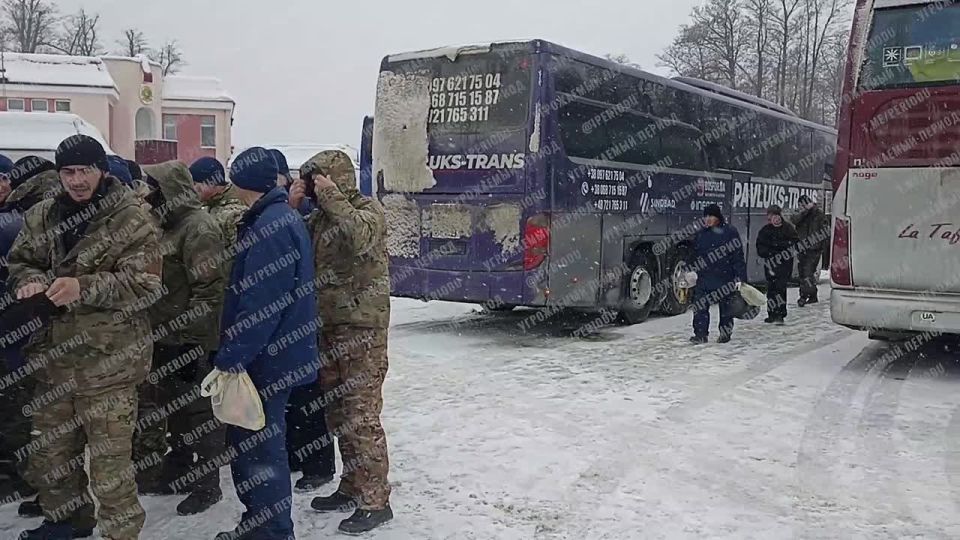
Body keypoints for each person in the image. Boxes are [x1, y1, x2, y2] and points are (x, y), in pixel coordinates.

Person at [10, 135, 161, 540]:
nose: (76, 180)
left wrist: (84, 287)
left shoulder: (132, 217)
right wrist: (29, 282)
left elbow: (146, 283)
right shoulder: (43, 214)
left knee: (111, 467)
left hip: (109, 363)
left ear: (102, 171)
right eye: (68, 171)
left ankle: (120, 533)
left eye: (85, 170)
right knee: (51, 456)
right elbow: (22, 261)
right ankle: (68, 522)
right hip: (54, 360)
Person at [214, 147, 318, 540]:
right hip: (276, 354)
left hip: (267, 359)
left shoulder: (270, 225)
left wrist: (232, 357)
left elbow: (262, 304)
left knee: (259, 447)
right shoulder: (276, 217)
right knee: (258, 443)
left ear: (241, 182)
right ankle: (262, 523)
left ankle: (272, 530)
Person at [290, 149, 394, 534]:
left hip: (361, 330)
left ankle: (376, 500)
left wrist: (332, 195)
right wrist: (293, 204)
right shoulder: (318, 218)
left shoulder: (367, 209)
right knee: (338, 415)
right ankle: (351, 486)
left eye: (318, 180)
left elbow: (360, 237)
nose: (316, 189)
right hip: (329, 327)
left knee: (361, 415)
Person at [132, 161, 227, 515]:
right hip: (164, 336)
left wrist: (191, 339)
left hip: (191, 340)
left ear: (170, 189)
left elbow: (209, 291)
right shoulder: (164, 224)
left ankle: (207, 484)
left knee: (200, 414)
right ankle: (182, 466)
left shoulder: (199, 228)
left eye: (154, 187)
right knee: (176, 412)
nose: (148, 193)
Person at [688, 204, 747, 345]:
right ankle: (700, 334)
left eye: (711, 216)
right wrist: (690, 269)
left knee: (726, 308)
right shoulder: (701, 234)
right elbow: (693, 254)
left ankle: (725, 333)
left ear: (717, 217)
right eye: (706, 216)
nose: (707, 219)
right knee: (700, 306)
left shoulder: (729, 232)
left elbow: (737, 257)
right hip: (704, 277)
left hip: (724, 276)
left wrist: (740, 278)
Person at [190, 157, 247, 250]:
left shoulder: (234, 213)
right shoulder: (211, 204)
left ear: (212, 183)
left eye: (196, 184)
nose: (192, 189)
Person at [755, 205, 798, 325]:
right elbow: (760, 247)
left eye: (774, 215)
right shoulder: (765, 230)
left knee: (780, 288)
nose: (772, 219)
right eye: (770, 216)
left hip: (784, 265)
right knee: (771, 289)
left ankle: (780, 314)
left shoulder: (788, 229)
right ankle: (771, 313)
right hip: (770, 264)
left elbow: (794, 243)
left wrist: (778, 247)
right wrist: (770, 252)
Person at [790, 194, 829, 306]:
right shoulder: (800, 214)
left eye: (805, 204)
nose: (803, 206)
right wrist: (804, 213)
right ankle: (812, 295)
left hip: (814, 249)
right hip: (802, 248)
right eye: (801, 205)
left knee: (807, 272)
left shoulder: (818, 214)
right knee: (803, 273)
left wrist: (822, 247)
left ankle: (803, 296)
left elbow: (825, 231)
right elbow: (794, 220)